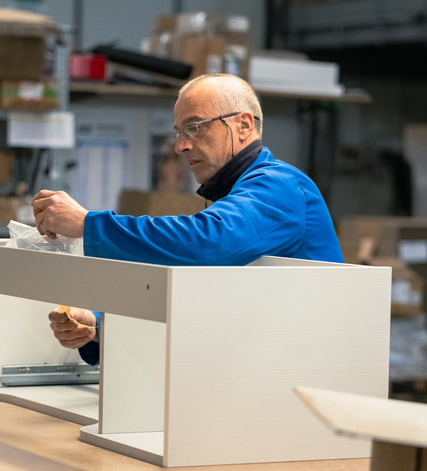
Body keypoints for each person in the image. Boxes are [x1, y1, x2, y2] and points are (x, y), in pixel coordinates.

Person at [32, 73, 344, 365]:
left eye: (195, 127)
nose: (182, 145)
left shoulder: (280, 186)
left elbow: (204, 245)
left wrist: (89, 225)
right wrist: (99, 326)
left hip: (299, 379)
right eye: (179, 132)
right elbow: (201, 298)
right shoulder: (233, 199)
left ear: (244, 125)